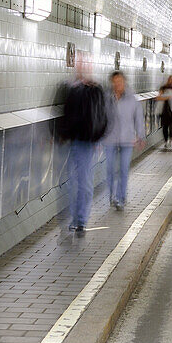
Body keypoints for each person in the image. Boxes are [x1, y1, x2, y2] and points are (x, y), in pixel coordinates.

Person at [58, 62, 108, 235]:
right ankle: (76, 218)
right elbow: (67, 113)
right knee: (72, 182)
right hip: (72, 140)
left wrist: (97, 137)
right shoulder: (71, 89)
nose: (81, 70)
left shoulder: (95, 90)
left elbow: (101, 115)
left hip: (86, 141)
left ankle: (81, 220)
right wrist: (60, 134)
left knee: (83, 181)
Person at [104, 71, 145, 211]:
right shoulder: (107, 98)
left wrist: (141, 136)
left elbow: (139, 118)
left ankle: (121, 198)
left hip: (127, 139)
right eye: (115, 82)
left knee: (123, 169)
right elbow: (100, 118)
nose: (117, 85)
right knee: (110, 169)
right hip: (109, 138)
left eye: (120, 82)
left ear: (124, 82)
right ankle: (113, 195)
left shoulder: (132, 99)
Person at [156, 75, 172, 148]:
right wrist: (167, 97)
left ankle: (171, 139)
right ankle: (166, 141)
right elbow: (158, 97)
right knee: (165, 127)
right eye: (170, 80)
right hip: (164, 110)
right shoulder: (163, 88)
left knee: (171, 127)